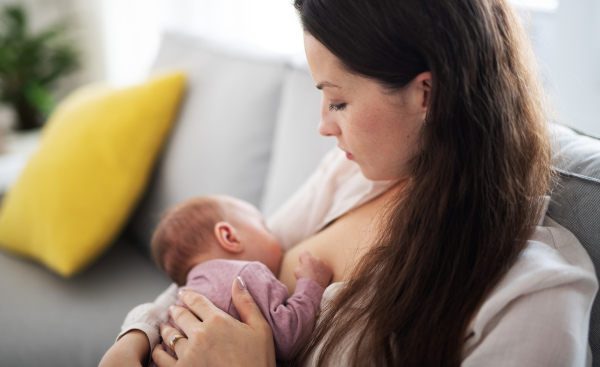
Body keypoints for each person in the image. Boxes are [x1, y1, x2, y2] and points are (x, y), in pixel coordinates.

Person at [100, 0, 598, 366]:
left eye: (338, 101)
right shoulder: (352, 175)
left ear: (428, 94)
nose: (324, 125)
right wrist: (135, 337)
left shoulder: (533, 295)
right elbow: (224, 265)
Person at [147, 195, 333, 366]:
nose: (277, 240)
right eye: (265, 228)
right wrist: (312, 283)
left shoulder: (182, 299)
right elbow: (288, 338)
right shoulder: (246, 272)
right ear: (229, 237)